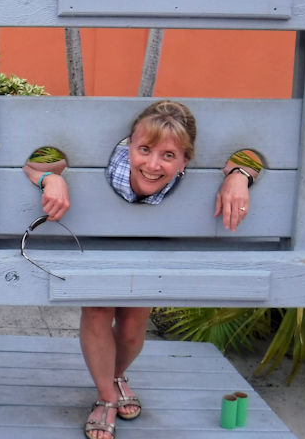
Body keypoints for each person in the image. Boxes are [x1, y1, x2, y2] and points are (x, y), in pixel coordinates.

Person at [23, 100, 258, 439]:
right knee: (98, 311)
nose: (151, 164)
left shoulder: (187, 176)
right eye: (144, 149)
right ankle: (106, 398)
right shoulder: (109, 161)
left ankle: (116, 376)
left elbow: (251, 158)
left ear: (184, 163)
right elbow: (28, 165)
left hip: (149, 245)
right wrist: (50, 178)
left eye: (168, 155)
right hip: (96, 242)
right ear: (128, 145)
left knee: (133, 326)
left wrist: (240, 175)